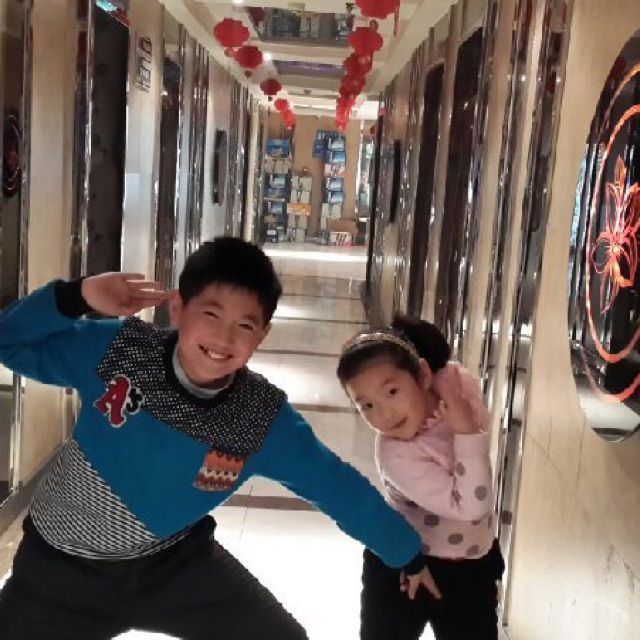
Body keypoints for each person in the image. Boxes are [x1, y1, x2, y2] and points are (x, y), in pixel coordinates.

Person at [0, 237, 434, 640]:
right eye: (211, 314)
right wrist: (77, 296)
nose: (225, 338)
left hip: (174, 569)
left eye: (245, 325)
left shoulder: (261, 418)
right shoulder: (119, 350)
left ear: (262, 335)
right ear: (177, 307)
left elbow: (336, 487)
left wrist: (407, 554)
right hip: (58, 570)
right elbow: (9, 342)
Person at [337, 315, 505, 640]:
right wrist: (466, 431)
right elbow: (472, 506)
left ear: (424, 375)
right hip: (402, 568)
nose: (384, 414)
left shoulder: (455, 388)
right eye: (366, 405)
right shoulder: (395, 453)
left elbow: (451, 372)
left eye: (392, 391)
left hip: (471, 568)